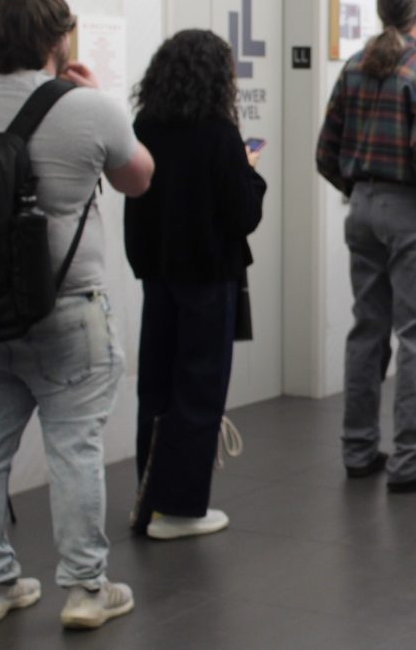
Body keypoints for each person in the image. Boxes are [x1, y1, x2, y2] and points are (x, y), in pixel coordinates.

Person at [0, 0, 154, 629]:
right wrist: (95, 98)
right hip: (68, 310)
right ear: (58, 39)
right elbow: (138, 178)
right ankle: (86, 590)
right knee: (75, 450)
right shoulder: (88, 107)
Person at [316, 0, 416, 492]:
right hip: (413, 215)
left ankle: (358, 450)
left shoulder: (354, 67)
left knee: (367, 331)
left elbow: (325, 152)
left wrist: (360, 190)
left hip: (362, 210)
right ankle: (412, 460)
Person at [125, 30, 267, 539]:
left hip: (157, 275)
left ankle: (148, 501)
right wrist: (250, 172)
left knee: (157, 388)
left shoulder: (144, 125)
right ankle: (182, 510)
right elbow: (243, 215)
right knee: (200, 390)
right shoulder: (219, 133)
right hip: (208, 277)